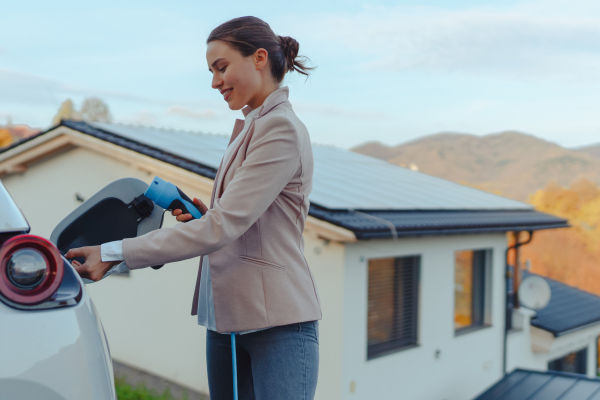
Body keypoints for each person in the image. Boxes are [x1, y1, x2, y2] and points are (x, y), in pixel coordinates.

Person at [66, 16, 321, 400]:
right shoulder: (252, 126)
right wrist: (207, 216)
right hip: (228, 319)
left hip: (279, 328)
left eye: (221, 68)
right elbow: (235, 222)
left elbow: (223, 227)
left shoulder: (279, 128)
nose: (215, 82)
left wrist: (113, 253)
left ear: (259, 58)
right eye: (211, 71)